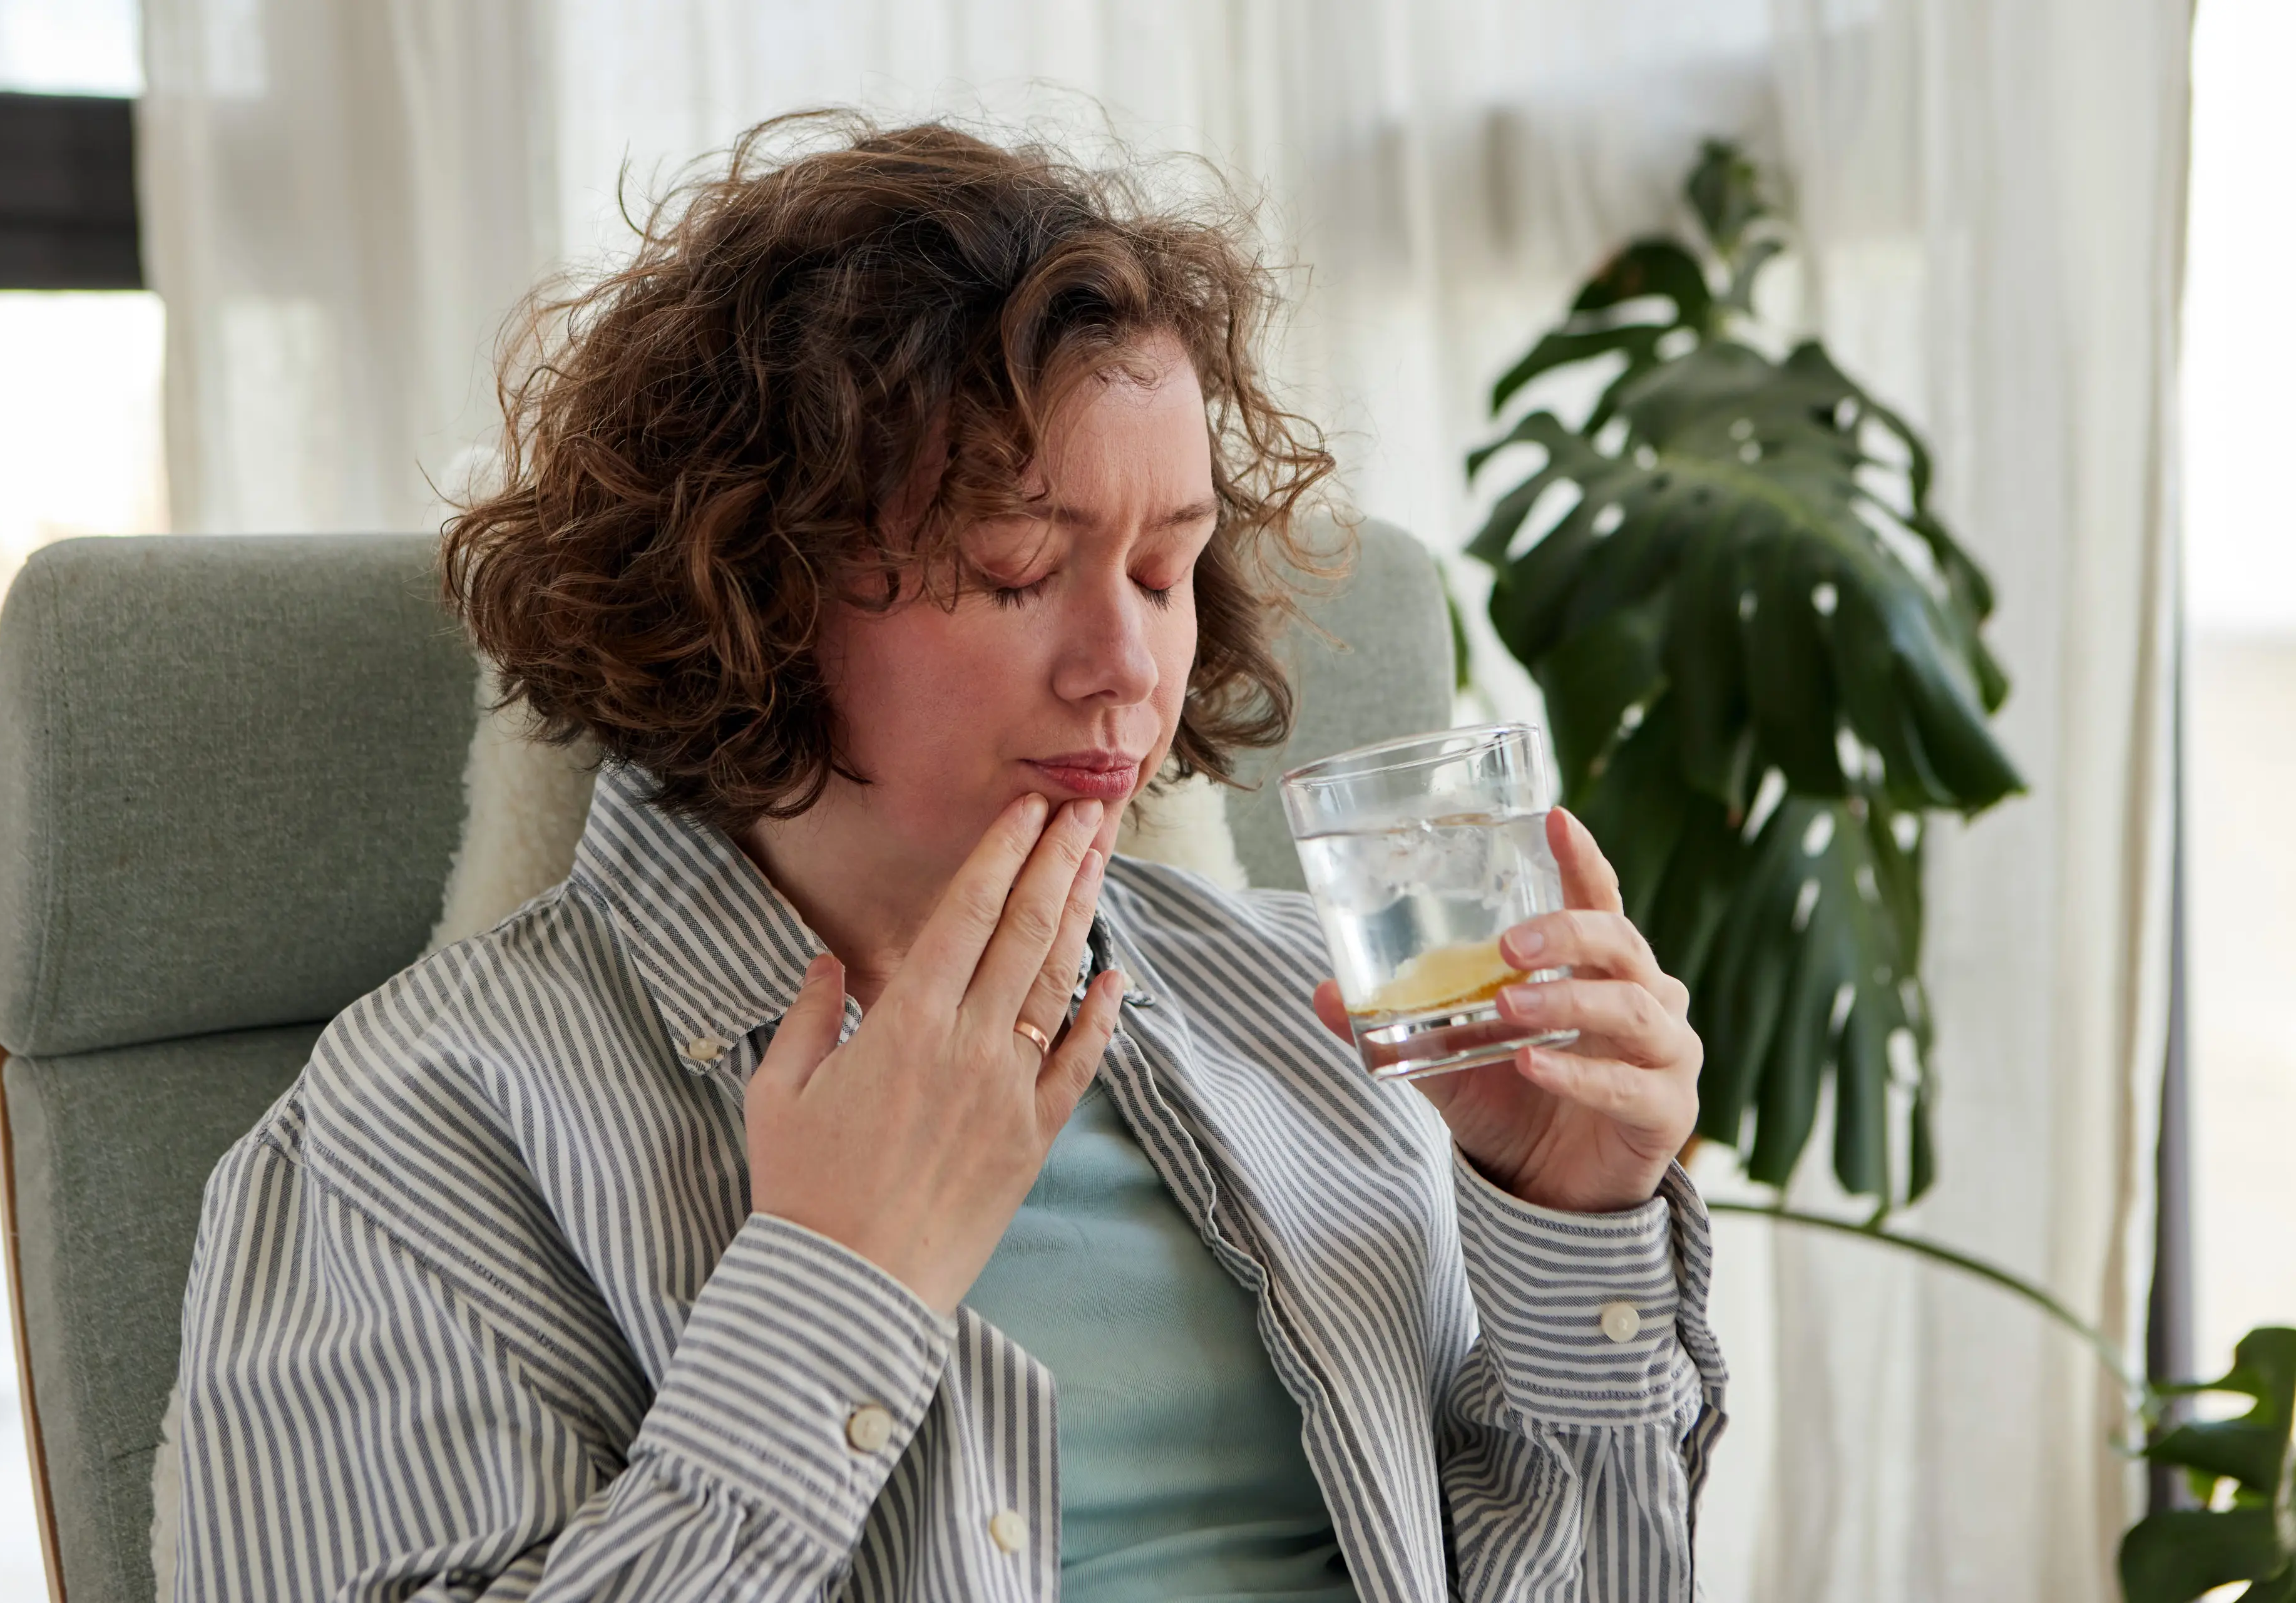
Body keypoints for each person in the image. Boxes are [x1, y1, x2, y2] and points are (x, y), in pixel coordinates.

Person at [167, 113, 1725, 1602]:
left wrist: (1560, 1215)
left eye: (1168, 566)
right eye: (1017, 567)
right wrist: (839, 1287)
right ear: (757, 588)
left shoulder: (1314, 1022)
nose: (1128, 664)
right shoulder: (407, 1140)